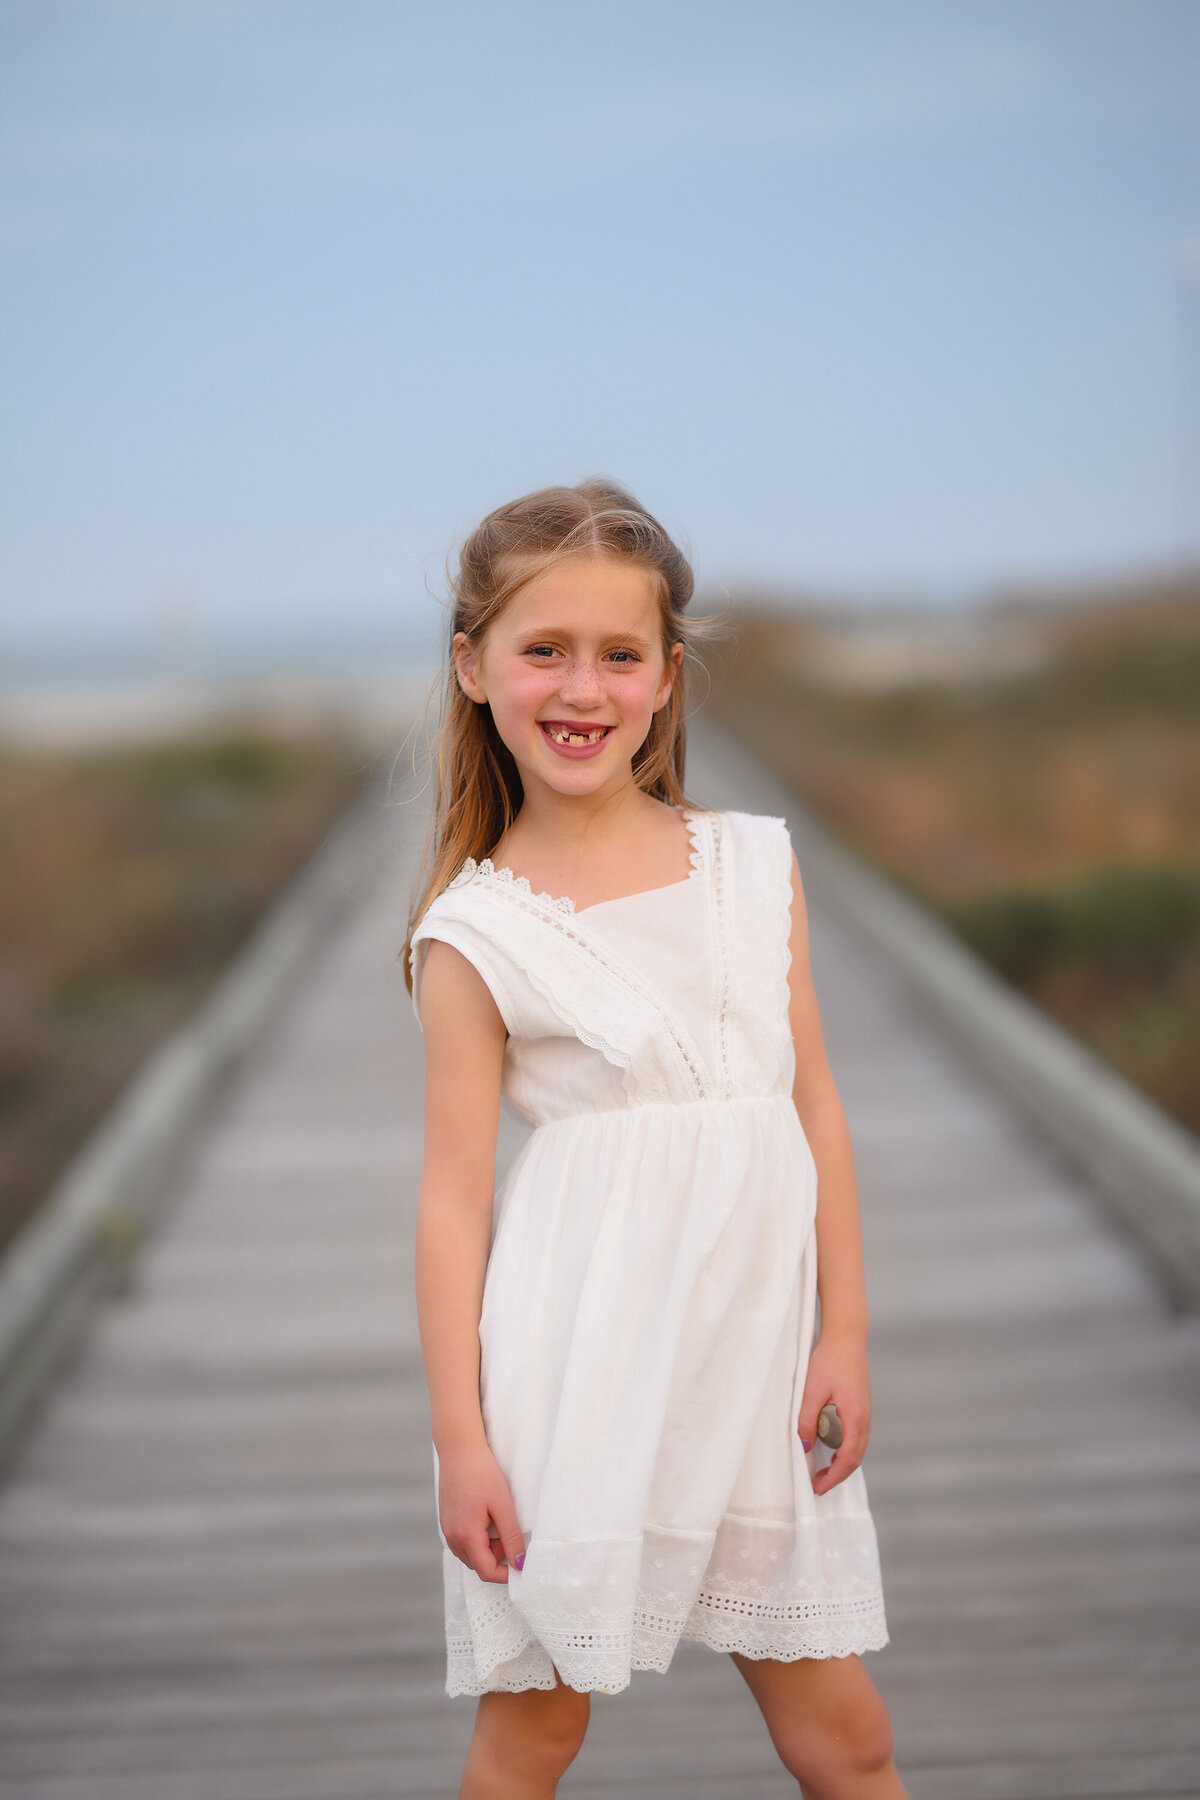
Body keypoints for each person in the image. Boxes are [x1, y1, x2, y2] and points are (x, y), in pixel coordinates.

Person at [403, 479, 908, 1799]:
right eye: (543, 650)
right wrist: (464, 1443)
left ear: (668, 674)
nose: (584, 689)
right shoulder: (478, 931)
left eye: (620, 654)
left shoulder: (752, 865)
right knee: (537, 1734)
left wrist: (842, 1332)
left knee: (850, 1740)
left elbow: (814, 1105)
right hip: (582, 1371)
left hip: (753, 1360)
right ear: (475, 668)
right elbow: (455, 1204)